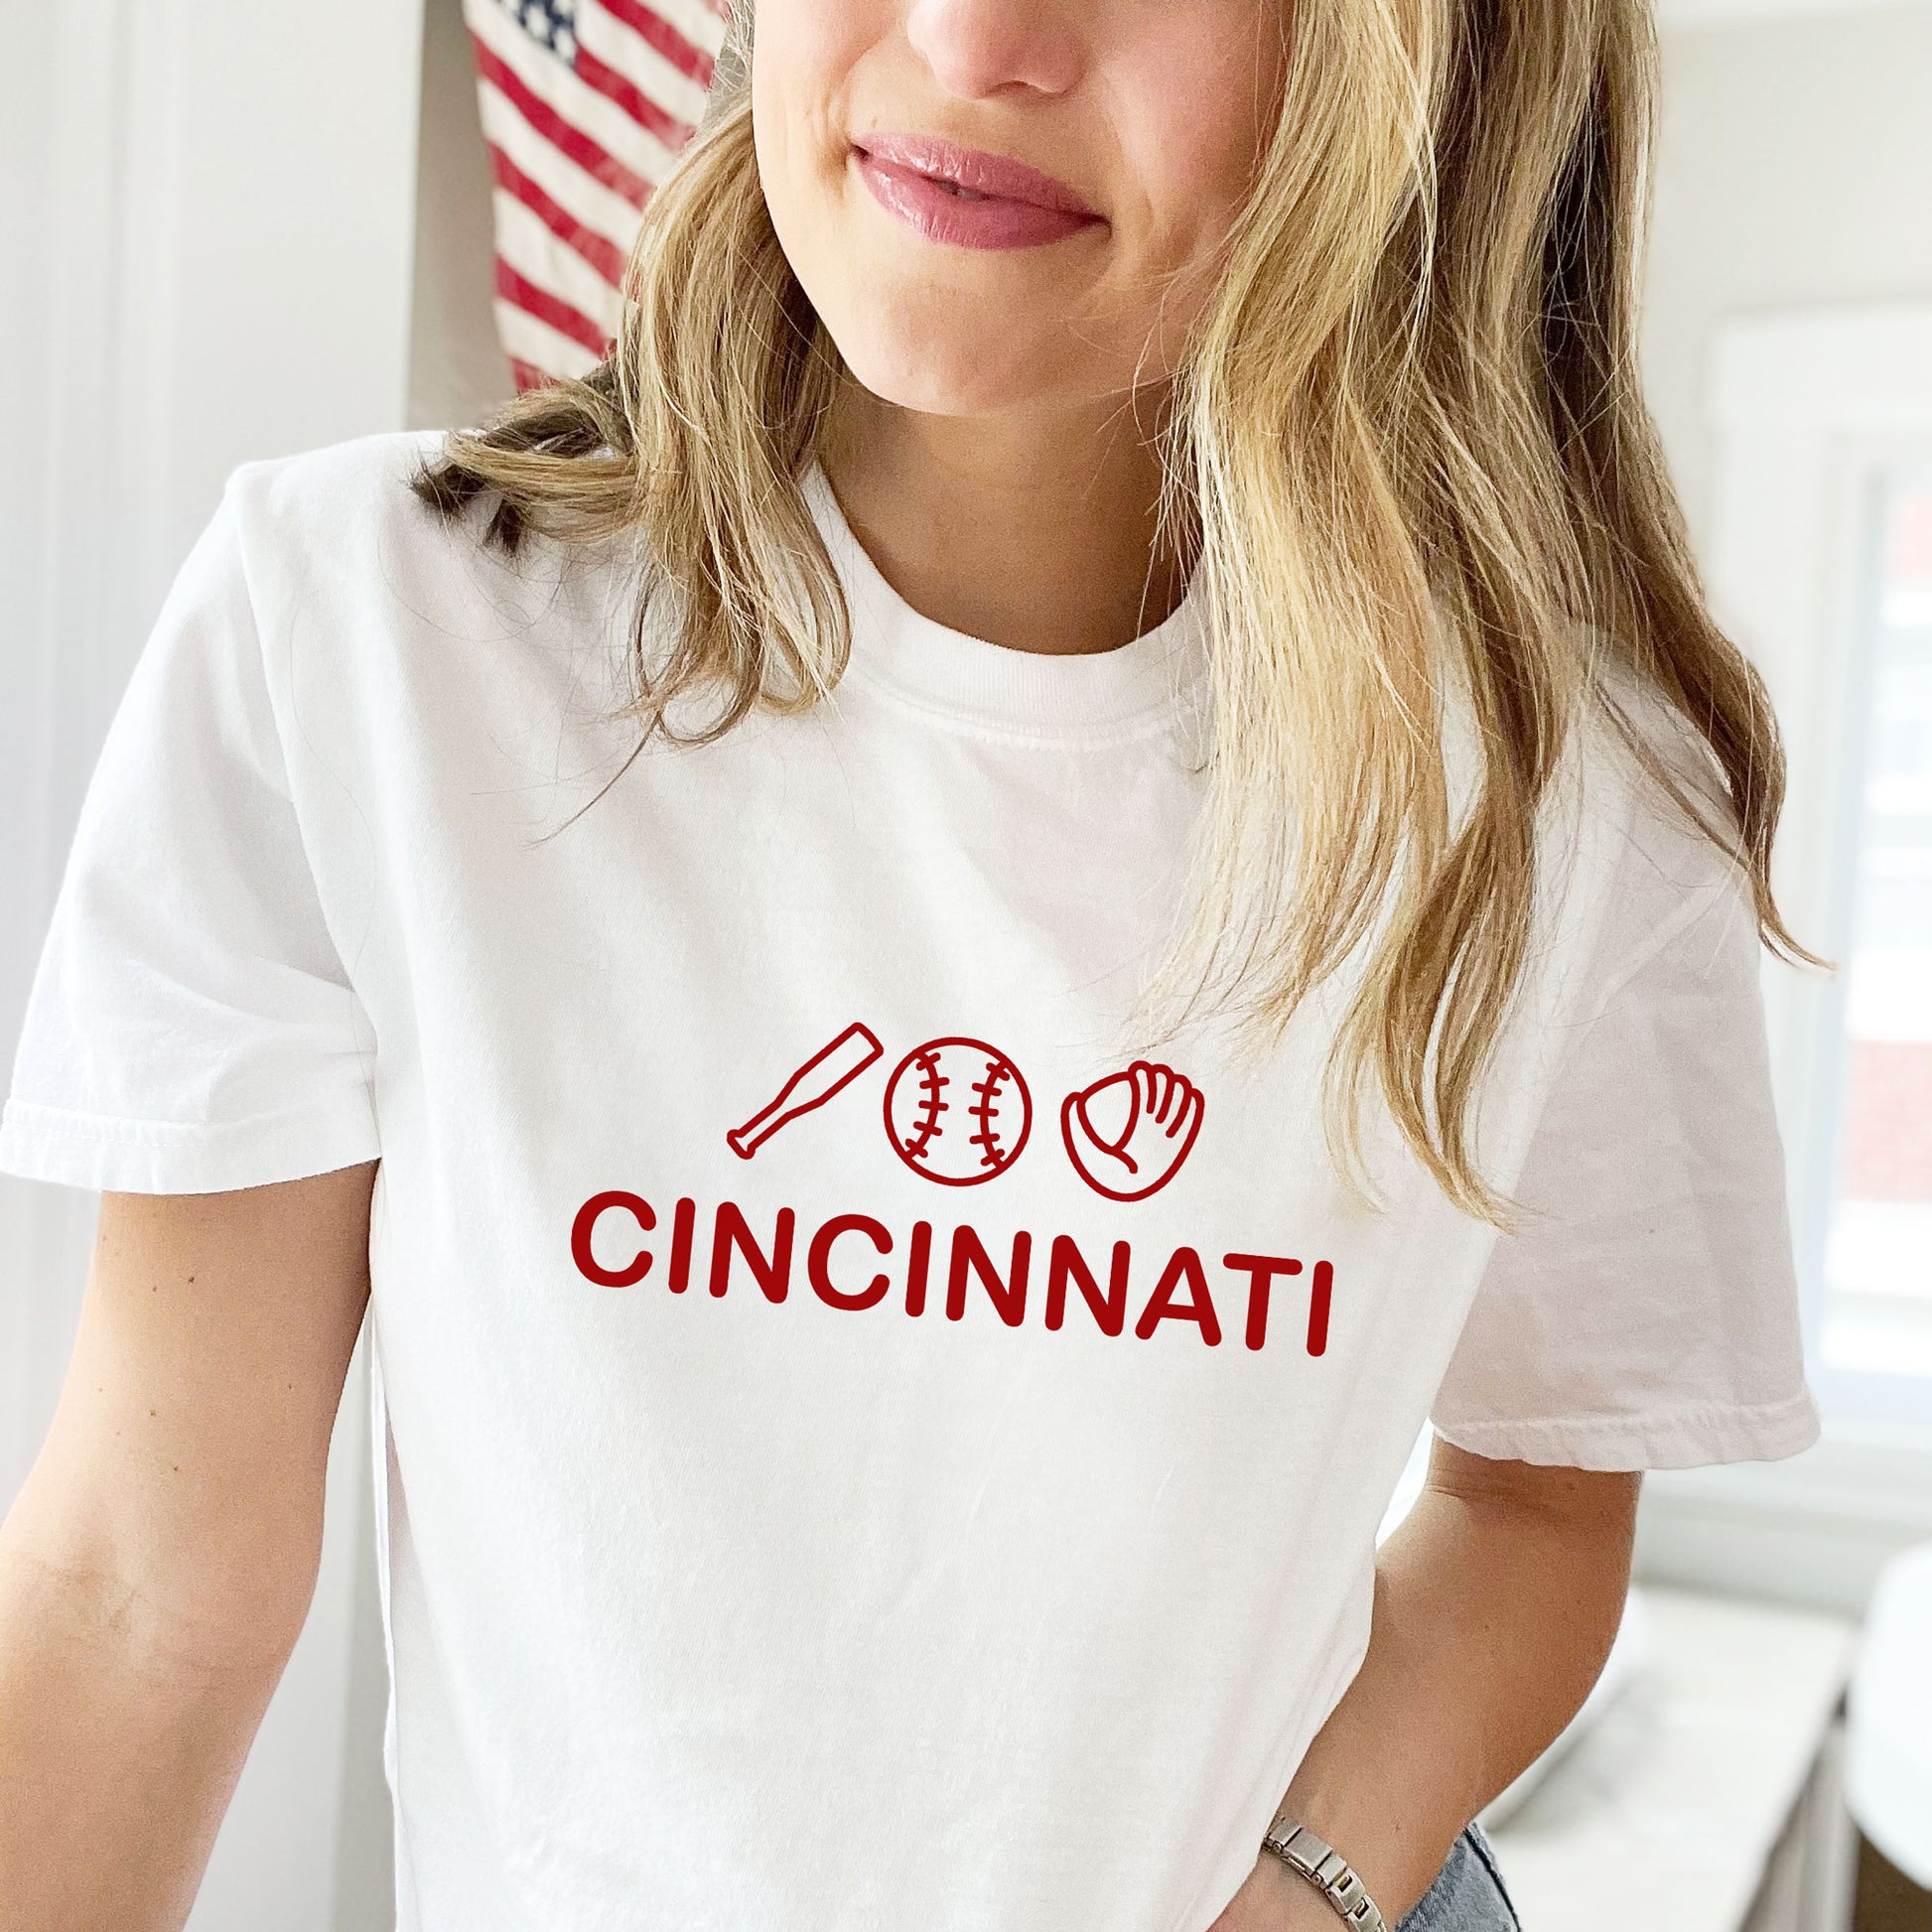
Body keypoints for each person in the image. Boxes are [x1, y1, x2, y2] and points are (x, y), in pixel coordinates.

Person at [0, 0, 1822, 1924]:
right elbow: (140, 1587)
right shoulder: (350, 638)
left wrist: (1304, 1890)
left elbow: (1532, 1508)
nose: (974, 40)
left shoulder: (1562, 796)